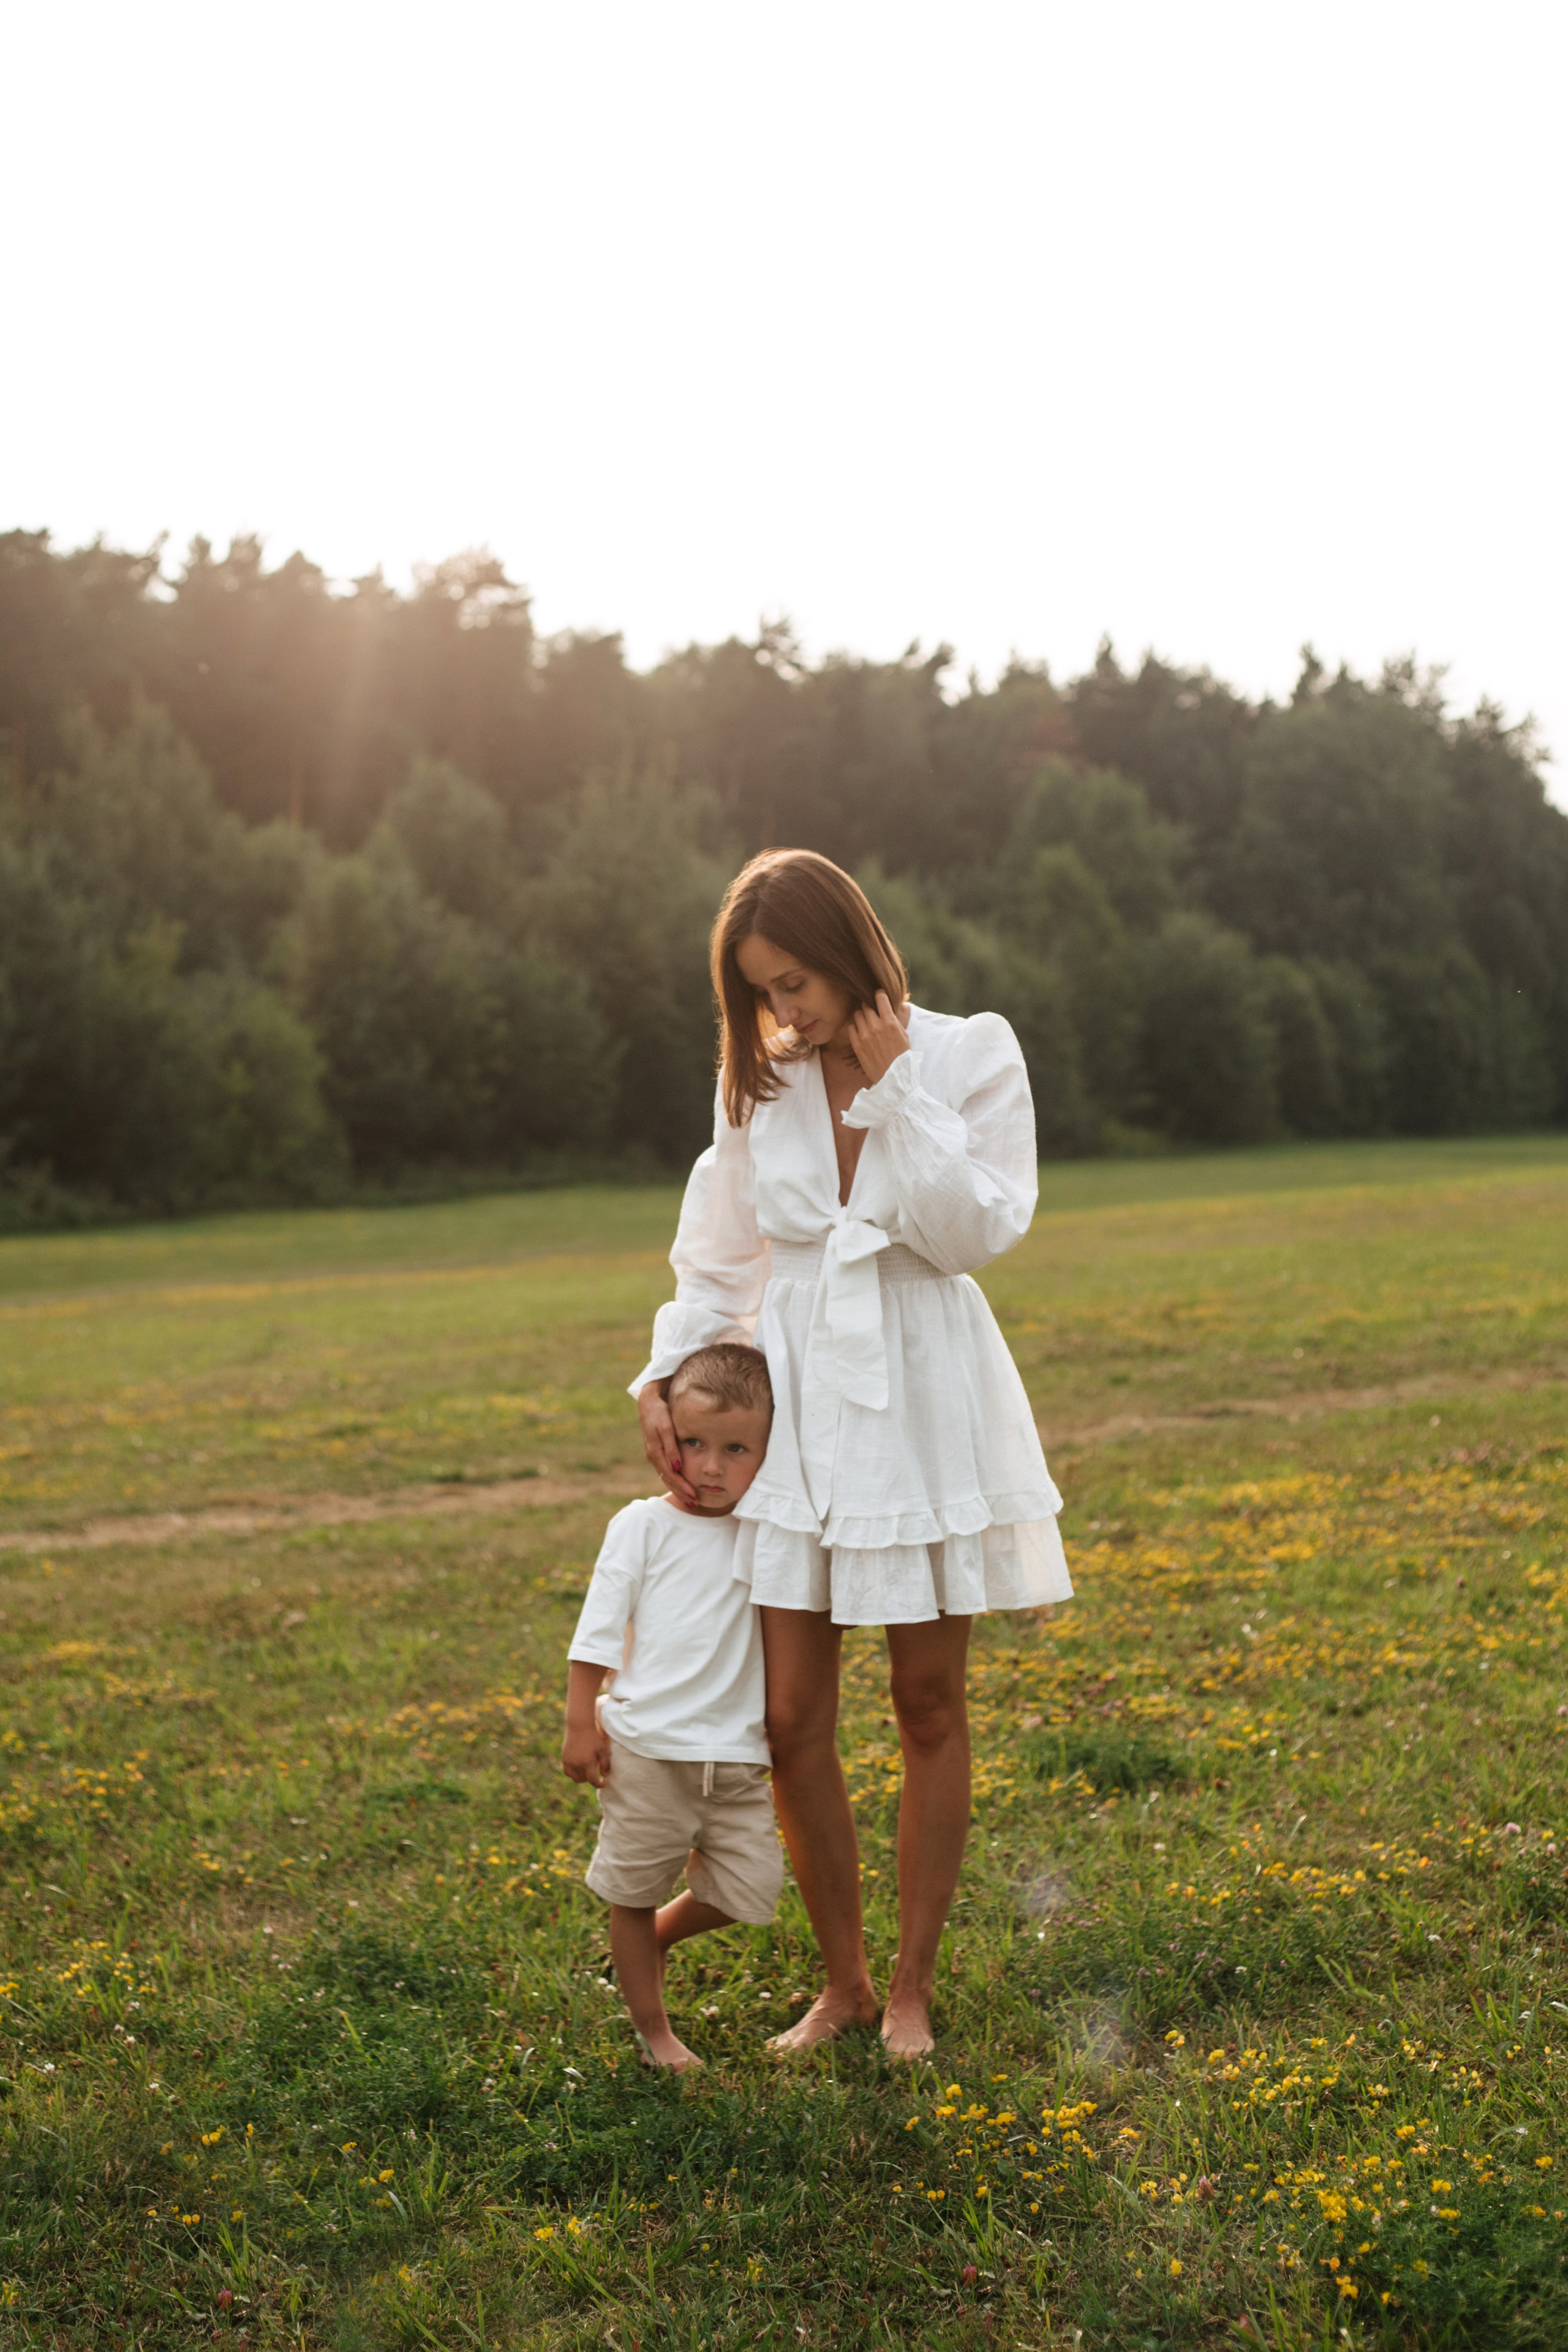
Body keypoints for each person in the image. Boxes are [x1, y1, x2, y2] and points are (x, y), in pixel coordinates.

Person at [633, 848, 1072, 2062]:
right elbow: (716, 1261)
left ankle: (913, 1989)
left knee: (927, 1700)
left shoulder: (968, 1052)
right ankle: (845, 1985)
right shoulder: (758, 1085)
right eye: (761, 992)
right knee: (789, 1720)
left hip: (923, 1398)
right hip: (795, 1409)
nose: (783, 1010)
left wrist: (898, 1091)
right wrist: (664, 1380)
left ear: (844, 949)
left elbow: (975, 1230)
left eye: (794, 982)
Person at [562, 1341, 782, 2071]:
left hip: (736, 1757)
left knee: (751, 1889)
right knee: (630, 1890)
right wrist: (579, 1720)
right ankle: (655, 2034)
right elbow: (597, 1628)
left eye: (735, 1449)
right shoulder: (642, 1525)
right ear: (666, 1438)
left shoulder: (769, 1533)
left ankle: (652, 1938)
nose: (711, 1467)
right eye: (693, 1443)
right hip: (648, 1751)